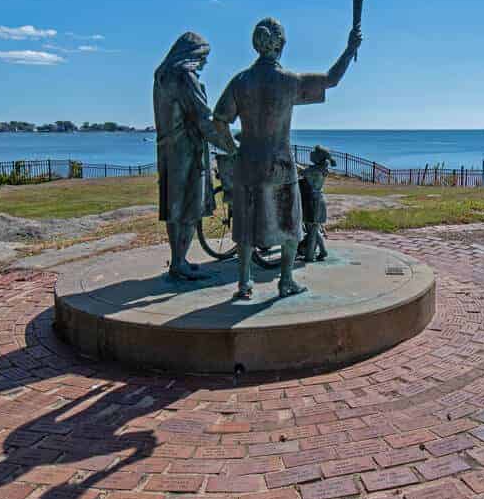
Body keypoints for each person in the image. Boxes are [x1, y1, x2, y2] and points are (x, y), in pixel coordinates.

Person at [213, 18, 362, 298]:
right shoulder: (288, 81)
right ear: (280, 44)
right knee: (291, 224)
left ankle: (244, 284)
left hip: (248, 163)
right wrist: (349, 49)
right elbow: (331, 79)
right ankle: (286, 281)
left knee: (245, 225)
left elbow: (219, 120)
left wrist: (233, 152)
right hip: (279, 164)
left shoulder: (240, 81)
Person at [153, 31, 235, 281]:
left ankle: (178, 259)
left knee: (173, 207)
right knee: (190, 210)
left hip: (167, 150)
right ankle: (179, 262)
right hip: (188, 152)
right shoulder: (185, 76)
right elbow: (204, 119)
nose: (205, 62)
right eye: (203, 56)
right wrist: (230, 146)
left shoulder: (162, 77)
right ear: (191, 55)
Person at [300, 145, 336, 262]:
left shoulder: (315, 170)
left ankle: (310, 255)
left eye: (314, 152)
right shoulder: (319, 169)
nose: (311, 153)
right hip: (316, 200)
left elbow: (302, 172)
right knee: (313, 229)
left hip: (314, 202)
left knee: (312, 230)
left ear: (318, 157)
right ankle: (323, 251)